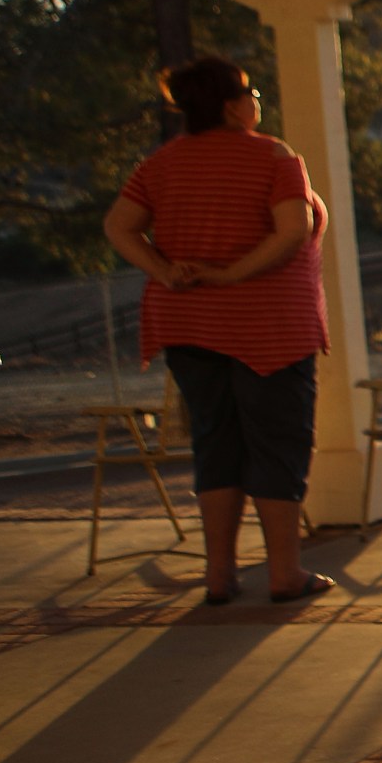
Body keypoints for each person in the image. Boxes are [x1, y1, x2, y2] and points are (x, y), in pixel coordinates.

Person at [103, 56, 336, 604]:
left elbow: (119, 226)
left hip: (189, 322)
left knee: (216, 442)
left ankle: (220, 576)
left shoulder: (161, 164)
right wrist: (231, 274)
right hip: (270, 327)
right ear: (233, 105)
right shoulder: (274, 155)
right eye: (251, 92)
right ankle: (284, 574)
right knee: (278, 443)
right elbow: (292, 231)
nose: (257, 100)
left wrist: (166, 271)